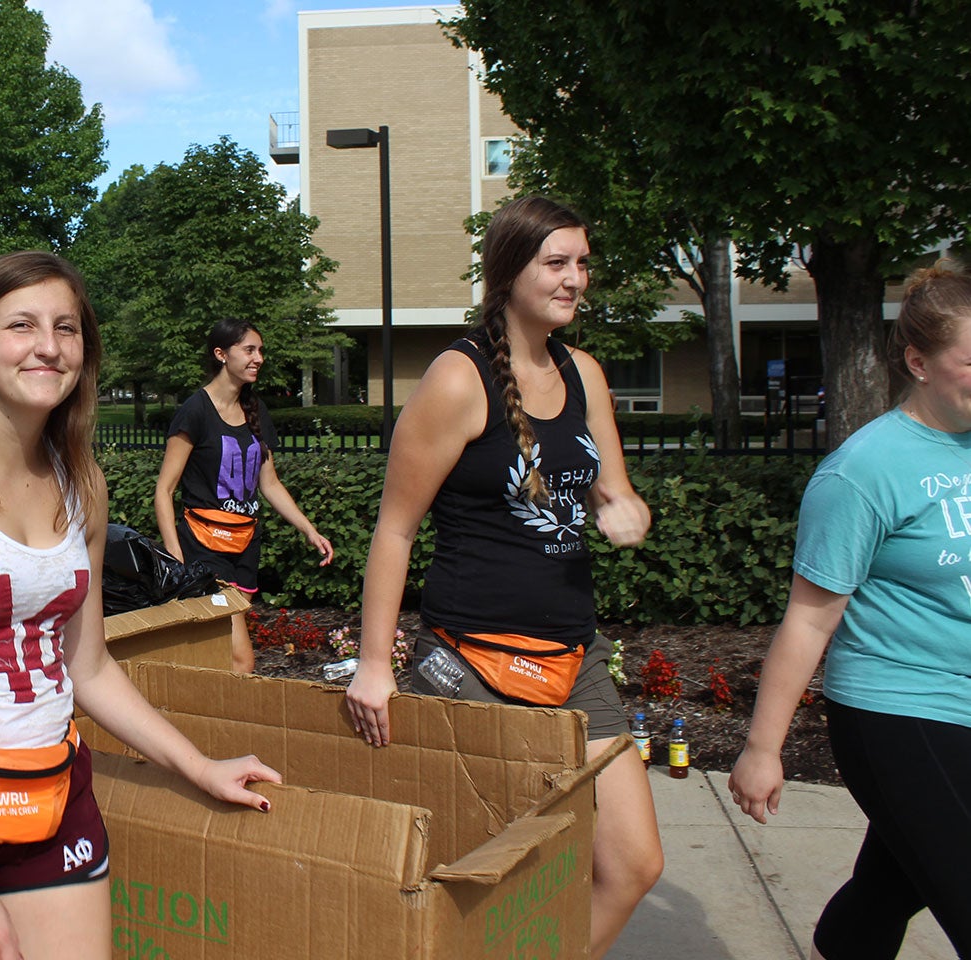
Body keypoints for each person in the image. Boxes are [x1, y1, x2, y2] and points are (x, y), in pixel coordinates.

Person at [0, 251, 279, 958]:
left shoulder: (84, 483)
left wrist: (197, 765)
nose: (48, 344)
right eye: (21, 325)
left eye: (66, 328)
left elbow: (88, 665)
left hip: (50, 793)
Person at [342, 196, 660, 960]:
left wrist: (627, 513)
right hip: (471, 663)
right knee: (486, 882)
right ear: (509, 270)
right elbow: (395, 528)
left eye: (583, 263)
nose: (576, 278)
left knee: (633, 864)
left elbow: (616, 491)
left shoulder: (584, 373)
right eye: (557, 263)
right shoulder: (459, 378)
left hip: (574, 660)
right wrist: (374, 667)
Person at [729, 264, 971, 959]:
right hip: (900, 707)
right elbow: (809, 619)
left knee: (891, 884)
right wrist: (762, 750)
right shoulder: (863, 472)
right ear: (919, 362)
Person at [153, 319, 335, 673]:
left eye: (261, 350)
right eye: (249, 350)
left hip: (245, 544)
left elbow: (270, 484)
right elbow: (164, 490)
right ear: (221, 354)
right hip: (204, 547)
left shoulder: (256, 409)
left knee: (219, 652)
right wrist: (177, 556)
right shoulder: (196, 410)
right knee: (241, 657)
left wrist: (308, 530)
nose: (259, 358)